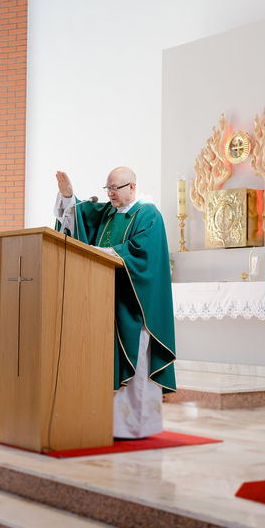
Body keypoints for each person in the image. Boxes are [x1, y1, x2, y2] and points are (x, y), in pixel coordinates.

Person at [55, 167, 176, 438]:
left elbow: (142, 253)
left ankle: (136, 426)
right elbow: (79, 217)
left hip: (135, 304)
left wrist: (103, 252)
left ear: (132, 187)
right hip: (105, 301)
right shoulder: (109, 212)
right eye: (107, 188)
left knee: (137, 366)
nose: (110, 194)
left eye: (115, 188)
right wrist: (68, 197)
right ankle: (107, 422)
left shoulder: (148, 214)